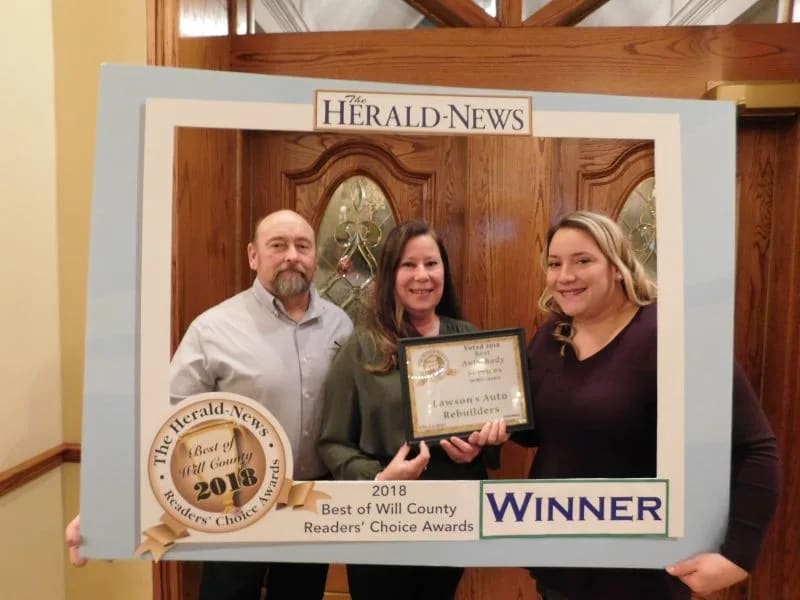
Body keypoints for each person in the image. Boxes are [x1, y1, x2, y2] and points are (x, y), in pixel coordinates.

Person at [66, 209, 353, 600]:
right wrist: (106, 503)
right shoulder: (213, 328)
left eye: (302, 246)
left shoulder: (341, 326)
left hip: (310, 504)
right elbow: (164, 423)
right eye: (278, 245)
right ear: (253, 256)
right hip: (231, 505)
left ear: (314, 256)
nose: (292, 255)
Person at [514, 211, 779, 600]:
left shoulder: (673, 335)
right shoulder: (551, 336)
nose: (565, 276)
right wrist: (490, 431)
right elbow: (542, 434)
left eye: (583, 261)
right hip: (560, 564)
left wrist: (738, 555)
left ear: (617, 266)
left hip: (641, 572)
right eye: (555, 264)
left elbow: (755, 447)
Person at [318, 220, 504, 600]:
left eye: (431, 264)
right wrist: (379, 478)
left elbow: (489, 425)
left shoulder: (469, 340)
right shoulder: (361, 348)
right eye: (409, 265)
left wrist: (481, 446)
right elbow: (333, 442)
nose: (422, 275)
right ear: (390, 274)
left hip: (450, 518)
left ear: (444, 271)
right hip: (382, 519)